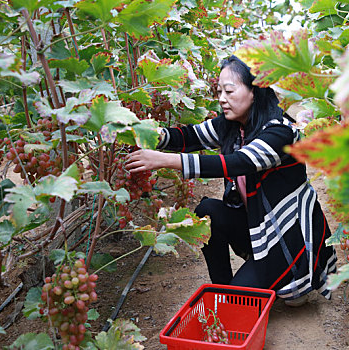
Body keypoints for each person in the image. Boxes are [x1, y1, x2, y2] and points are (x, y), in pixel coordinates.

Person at [126, 55, 337, 305]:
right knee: (207, 212)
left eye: (229, 90)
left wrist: (163, 160)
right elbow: (189, 136)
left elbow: (238, 162)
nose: (221, 98)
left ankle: (282, 283)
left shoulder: (281, 132)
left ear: (255, 91)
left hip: (285, 240)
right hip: (260, 231)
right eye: (219, 91)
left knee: (236, 305)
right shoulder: (234, 124)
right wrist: (143, 132)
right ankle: (226, 290)